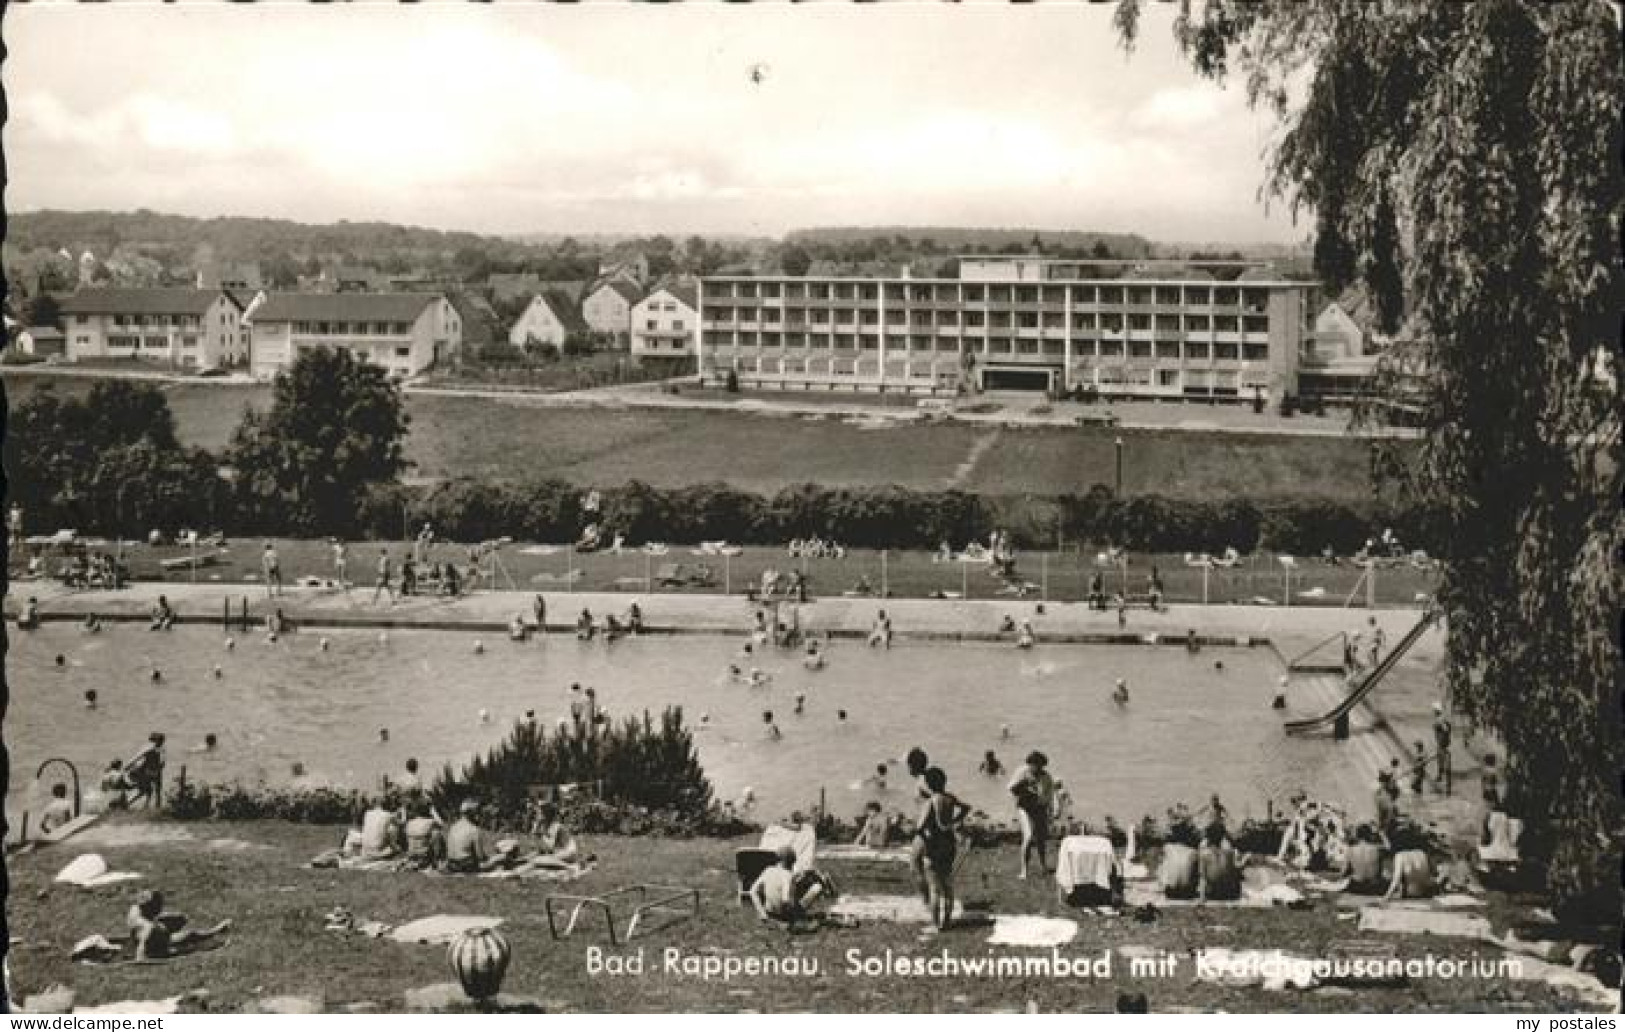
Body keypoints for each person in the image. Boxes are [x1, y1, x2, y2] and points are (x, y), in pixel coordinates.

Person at [915, 766, 969, 930]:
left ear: (928, 784)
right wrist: (955, 821)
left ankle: (936, 924)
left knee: (934, 887)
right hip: (948, 843)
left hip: (934, 844)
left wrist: (925, 838)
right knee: (947, 884)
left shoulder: (931, 801)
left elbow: (920, 826)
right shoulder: (950, 798)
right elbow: (967, 808)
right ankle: (946, 921)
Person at [126, 890, 232, 961]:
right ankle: (214, 932)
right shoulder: (145, 925)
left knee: (182, 925)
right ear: (152, 907)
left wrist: (171, 918)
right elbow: (144, 940)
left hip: (152, 937)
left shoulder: (137, 909)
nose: (160, 908)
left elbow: (151, 920)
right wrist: (141, 957)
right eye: (158, 906)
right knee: (188, 938)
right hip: (154, 946)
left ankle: (214, 931)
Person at [750, 845, 832, 927]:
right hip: (784, 914)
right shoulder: (788, 875)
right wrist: (793, 917)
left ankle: (770, 918)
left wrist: (762, 912)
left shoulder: (768, 870)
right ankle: (826, 886)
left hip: (769, 911)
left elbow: (752, 891)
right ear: (791, 862)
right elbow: (786, 900)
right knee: (817, 887)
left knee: (800, 884)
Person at [1008, 751, 1057, 879]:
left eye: (1040, 766)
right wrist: (1024, 784)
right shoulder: (1022, 771)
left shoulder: (1046, 777)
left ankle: (1043, 866)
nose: (1036, 768)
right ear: (1029, 764)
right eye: (1034, 765)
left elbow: (1049, 797)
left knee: (1041, 839)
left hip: (1039, 807)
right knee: (1029, 836)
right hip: (1024, 807)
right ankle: (1024, 870)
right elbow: (1011, 788)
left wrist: (1050, 812)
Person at [445, 798, 495, 873]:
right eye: (477, 811)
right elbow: (480, 856)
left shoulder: (453, 827)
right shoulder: (474, 829)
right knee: (498, 859)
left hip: (451, 864)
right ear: (471, 813)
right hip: (466, 865)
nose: (479, 814)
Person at [1197, 821, 1242, 902]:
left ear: (1208, 838)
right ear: (1222, 838)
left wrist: (1201, 898)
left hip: (1213, 894)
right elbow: (1235, 873)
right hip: (1229, 893)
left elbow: (1203, 878)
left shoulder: (1204, 854)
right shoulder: (1230, 852)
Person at [1343, 823, 1389, 895]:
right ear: (1370, 835)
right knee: (1386, 878)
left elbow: (1345, 871)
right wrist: (1381, 832)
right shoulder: (1377, 849)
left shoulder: (1350, 850)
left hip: (1356, 885)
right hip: (1374, 886)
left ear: (1357, 836)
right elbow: (1388, 847)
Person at [403, 795, 445, 869]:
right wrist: (433, 811)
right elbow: (442, 824)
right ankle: (437, 859)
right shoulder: (430, 822)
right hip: (423, 856)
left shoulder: (409, 822)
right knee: (437, 833)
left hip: (411, 855)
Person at [125, 734, 166, 808]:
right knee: (147, 791)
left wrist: (160, 767)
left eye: (162, 741)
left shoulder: (160, 749)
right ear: (155, 741)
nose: (161, 743)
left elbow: (162, 763)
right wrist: (128, 766)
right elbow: (137, 757)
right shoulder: (150, 749)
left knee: (153, 791)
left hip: (154, 772)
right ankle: (128, 804)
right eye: (160, 741)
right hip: (146, 772)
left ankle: (153, 808)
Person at [359, 795, 404, 859]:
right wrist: (403, 811)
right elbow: (402, 822)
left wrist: (394, 814)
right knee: (392, 828)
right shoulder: (387, 815)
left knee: (382, 828)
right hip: (377, 851)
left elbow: (379, 818)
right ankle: (395, 847)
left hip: (365, 849)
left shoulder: (367, 813)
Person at [1431, 703, 1453, 795]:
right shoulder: (1441, 719)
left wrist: (1444, 736)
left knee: (1444, 764)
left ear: (1436, 711)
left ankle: (1446, 783)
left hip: (1442, 744)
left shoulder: (1440, 720)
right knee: (1442, 762)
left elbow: (1446, 729)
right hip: (1442, 744)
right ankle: (1442, 779)